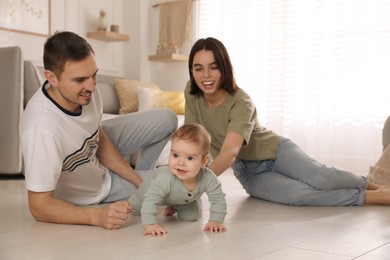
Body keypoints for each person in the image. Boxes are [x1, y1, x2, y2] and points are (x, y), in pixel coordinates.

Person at [184, 37, 390, 206]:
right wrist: (178, 187)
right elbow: (192, 142)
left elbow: (229, 152)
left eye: (213, 67)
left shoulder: (241, 102)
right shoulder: (192, 93)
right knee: (298, 195)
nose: (206, 75)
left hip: (276, 151)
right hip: (247, 172)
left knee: (322, 178)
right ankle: (368, 197)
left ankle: (373, 187)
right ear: (192, 71)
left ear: (224, 69)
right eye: (198, 68)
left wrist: (193, 186)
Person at [19, 31, 178, 229]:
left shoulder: (86, 93)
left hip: (94, 156)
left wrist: (138, 181)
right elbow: (39, 207)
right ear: (52, 78)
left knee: (167, 119)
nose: (92, 87)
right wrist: (96, 216)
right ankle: (147, 184)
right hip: (94, 190)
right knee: (176, 184)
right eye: (80, 80)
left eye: (94, 76)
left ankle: (143, 181)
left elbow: (98, 138)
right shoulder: (41, 129)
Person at [128, 123, 227, 236]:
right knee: (133, 209)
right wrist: (150, 224)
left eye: (189, 158)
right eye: (175, 155)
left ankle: (175, 204)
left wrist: (216, 221)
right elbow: (150, 199)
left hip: (181, 199)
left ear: (204, 161)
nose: (180, 163)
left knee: (192, 217)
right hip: (148, 191)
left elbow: (218, 199)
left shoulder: (208, 178)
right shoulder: (165, 177)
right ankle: (131, 206)